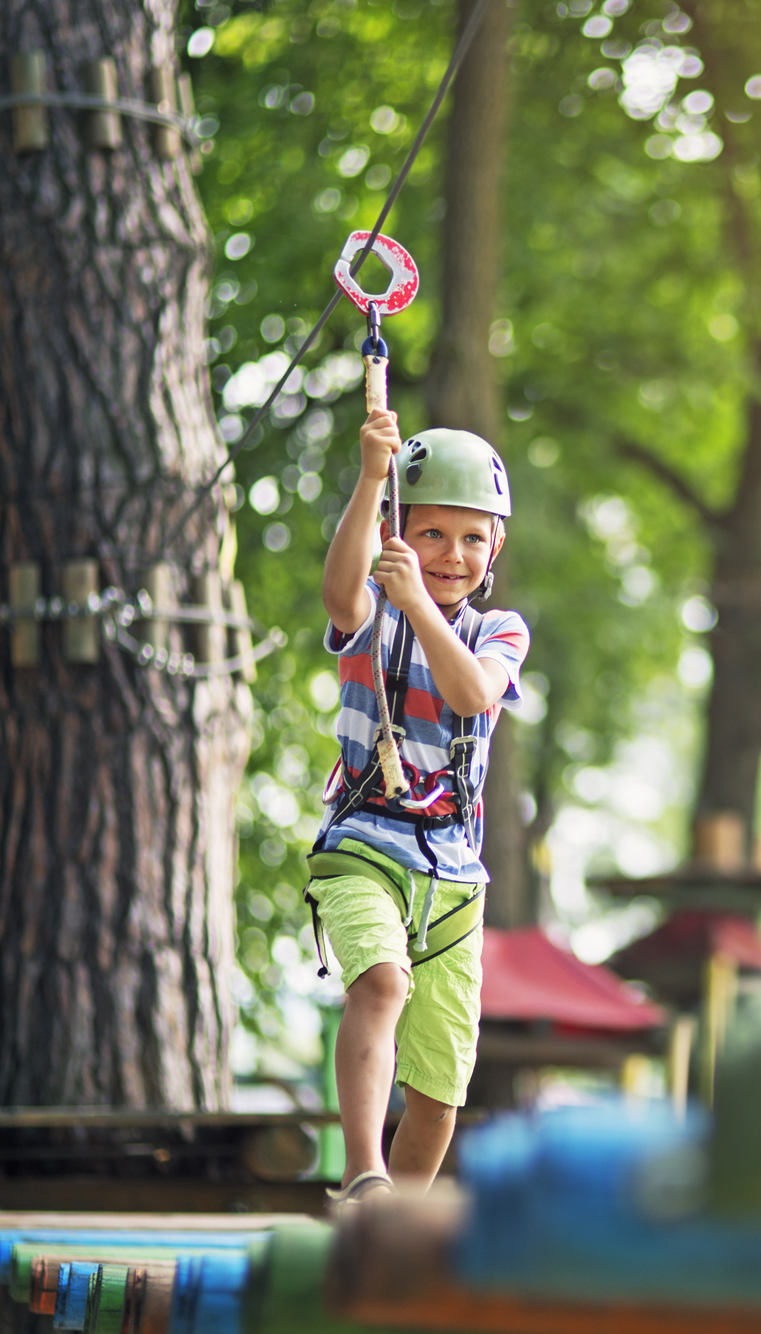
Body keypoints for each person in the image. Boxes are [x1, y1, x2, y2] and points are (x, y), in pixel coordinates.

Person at [308, 406, 528, 1207]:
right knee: (380, 985)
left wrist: (421, 606)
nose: (452, 555)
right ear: (401, 531)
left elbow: (472, 693)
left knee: (440, 1092)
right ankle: (362, 1171)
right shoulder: (372, 614)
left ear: (494, 548)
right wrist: (372, 479)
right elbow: (340, 594)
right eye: (431, 535)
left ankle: (388, 1229)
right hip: (364, 846)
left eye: (473, 539)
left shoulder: (500, 630)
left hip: (454, 879)